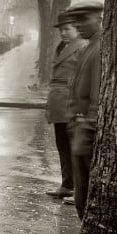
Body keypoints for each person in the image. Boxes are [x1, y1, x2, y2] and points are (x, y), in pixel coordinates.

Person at [66, 1, 104, 219]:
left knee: (85, 194)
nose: (78, 25)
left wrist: (87, 127)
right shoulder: (89, 45)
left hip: (86, 131)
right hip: (79, 127)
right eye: (76, 20)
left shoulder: (100, 47)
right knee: (81, 191)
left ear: (99, 19)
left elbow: (98, 94)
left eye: (83, 19)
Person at [45, 10, 87, 201]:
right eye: (61, 29)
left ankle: (80, 190)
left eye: (67, 29)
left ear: (77, 29)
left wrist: (80, 106)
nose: (63, 33)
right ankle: (67, 185)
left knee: (75, 148)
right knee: (62, 146)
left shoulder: (82, 47)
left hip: (71, 102)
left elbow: (84, 78)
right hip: (58, 103)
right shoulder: (63, 46)